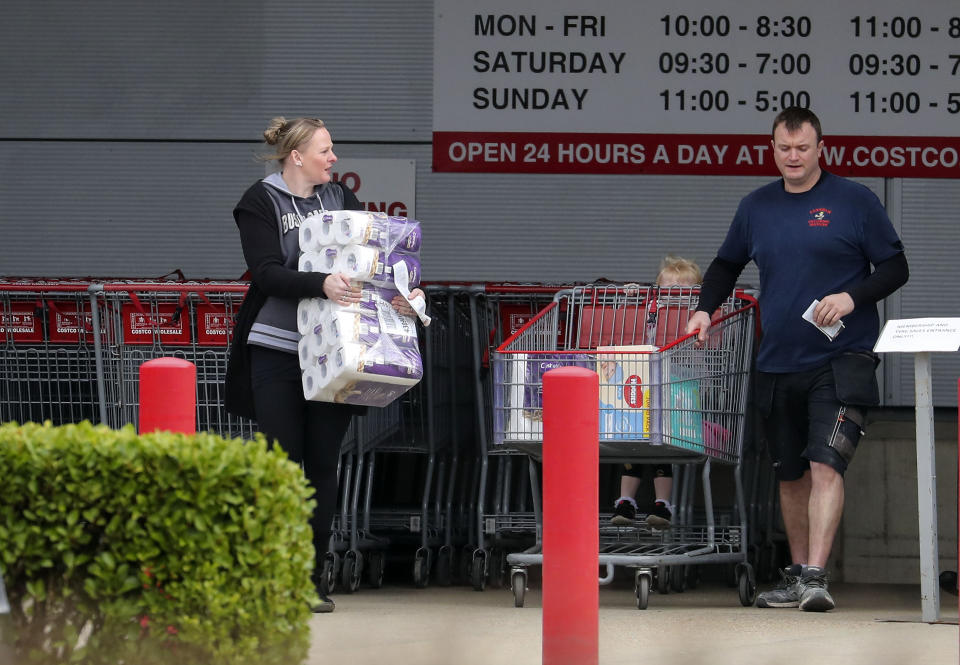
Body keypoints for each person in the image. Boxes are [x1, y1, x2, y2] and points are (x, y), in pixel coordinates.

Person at [686, 107, 908, 612]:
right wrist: (703, 311)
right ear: (773, 149)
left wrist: (853, 297)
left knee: (825, 464)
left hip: (839, 358)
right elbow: (725, 265)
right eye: (784, 148)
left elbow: (896, 266)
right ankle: (798, 576)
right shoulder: (756, 206)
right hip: (777, 360)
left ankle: (815, 576)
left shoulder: (855, 201)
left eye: (802, 148)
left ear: (820, 148)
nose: (793, 157)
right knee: (790, 475)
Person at [225, 116, 424, 613]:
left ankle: (311, 579)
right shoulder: (260, 201)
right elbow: (266, 273)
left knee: (321, 465)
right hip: (276, 348)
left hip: (333, 353)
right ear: (297, 157)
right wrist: (321, 284)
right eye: (326, 150)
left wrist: (403, 295)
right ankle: (274, 578)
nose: (334, 158)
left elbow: (372, 259)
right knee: (281, 464)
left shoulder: (340, 201)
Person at [610, 255, 702, 528]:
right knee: (632, 445)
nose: (673, 298)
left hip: (678, 391)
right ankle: (625, 501)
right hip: (648, 390)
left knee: (666, 450)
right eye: (667, 291)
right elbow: (635, 322)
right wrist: (631, 296)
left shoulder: (695, 318)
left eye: (682, 292)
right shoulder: (653, 310)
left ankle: (663, 503)